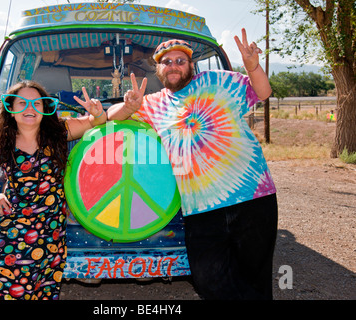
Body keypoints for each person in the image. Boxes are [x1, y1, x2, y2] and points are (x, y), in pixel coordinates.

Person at [107, 29, 278, 300]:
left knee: (255, 275)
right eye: (167, 62)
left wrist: (253, 67)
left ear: (190, 65)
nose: (173, 66)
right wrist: (128, 107)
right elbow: (110, 116)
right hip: (200, 207)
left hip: (253, 198)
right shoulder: (152, 104)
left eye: (180, 61)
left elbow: (263, 92)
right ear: (158, 69)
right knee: (206, 279)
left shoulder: (217, 82)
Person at [0, 80, 106, 300]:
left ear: (45, 109)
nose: (30, 108)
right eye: (22, 103)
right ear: (11, 109)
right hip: (10, 223)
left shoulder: (59, 133)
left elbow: (94, 122)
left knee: (34, 286)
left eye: (37, 103)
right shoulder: (1, 141)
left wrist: (98, 113)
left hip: (48, 227)